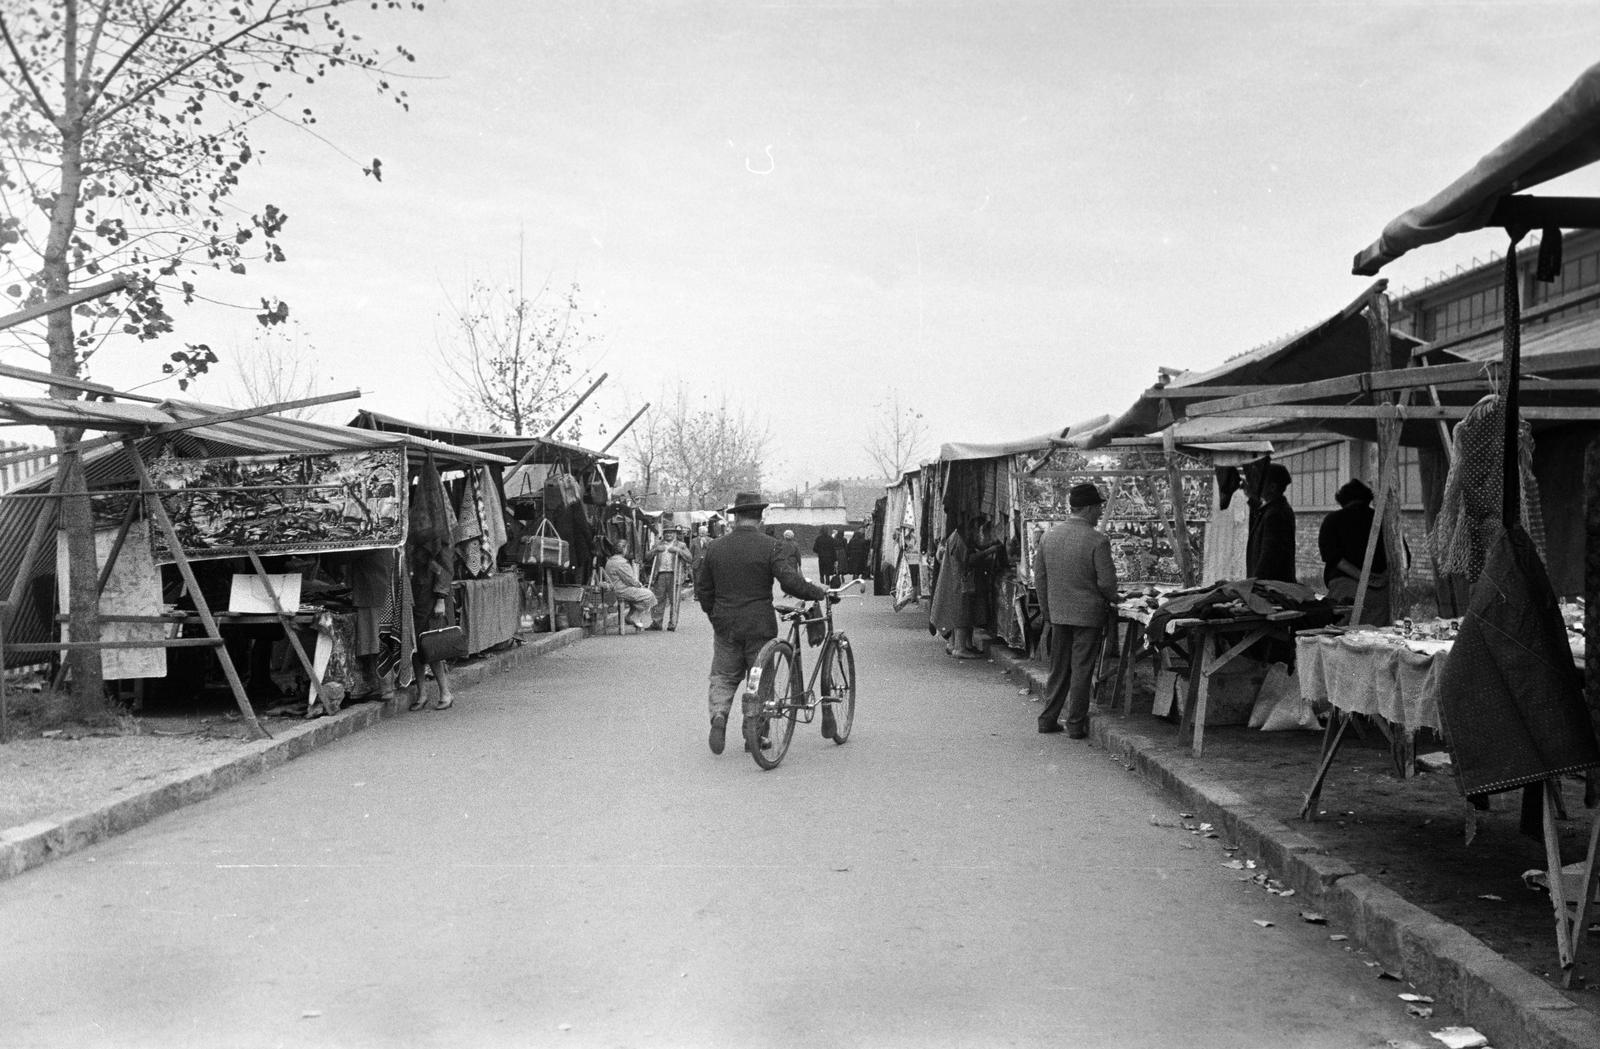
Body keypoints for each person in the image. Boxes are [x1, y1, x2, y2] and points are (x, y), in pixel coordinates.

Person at [694, 492, 830, 755]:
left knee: (723, 675)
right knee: (761, 677)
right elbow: (789, 581)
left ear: (735, 517)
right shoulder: (771, 546)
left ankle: (719, 717)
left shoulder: (715, 547)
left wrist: (715, 615)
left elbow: (704, 589)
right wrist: (816, 592)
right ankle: (754, 730)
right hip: (759, 624)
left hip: (726, 625)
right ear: (760, 516)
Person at [1033, 483, 1118, 738]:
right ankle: (1075, 724)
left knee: (1059, 668)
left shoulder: (1049, 537)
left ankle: (1048, 718)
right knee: (1082, 669)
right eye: (1098, 508)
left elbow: (1040, 578)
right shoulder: (1097, 540)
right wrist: (1115, 598)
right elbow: (1106, 583)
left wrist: (1048, 611)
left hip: (1059, 614)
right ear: (1089, 508)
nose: (1099, 514)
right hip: (1088, 615)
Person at [1318, 478, 1391, 625]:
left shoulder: (1334, 519)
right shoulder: (1382, 520)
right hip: (1380, 591)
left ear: (1342, 499)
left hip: (1346, 588)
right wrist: (1379, 578)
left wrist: (1364, 578)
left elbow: (1332, 557)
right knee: (1376, 636)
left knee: (1343, 637)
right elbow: (1402, 556)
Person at [928, 517, 983, 658]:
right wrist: (988, 552)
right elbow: (967, 560)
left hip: (952, 578)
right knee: (961, 612)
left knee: (954, 610)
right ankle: (960, 648)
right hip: (960, 580)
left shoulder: (953, 536)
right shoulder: (960, 539)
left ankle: (952, 644)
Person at [1246, 462, 1297, 583]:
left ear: (1272, 487)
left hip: (1272, 587)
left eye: (1259, 482)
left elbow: (1269, 557)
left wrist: (1255, 584)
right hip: (1270, 584)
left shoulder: (1276, 514)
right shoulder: (1274, 509)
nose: (1256, 486)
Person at [602, 538, 658, 631]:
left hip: (614, 588)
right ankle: (633, 616)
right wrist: (638, 584)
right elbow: (630, 580)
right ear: (624, 549)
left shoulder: (610, 560)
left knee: (641, 594)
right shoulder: (622, 563)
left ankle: (632, 615)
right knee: (649, 595)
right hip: (622, 590)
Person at [645, 527, 692, 631]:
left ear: (675, 534)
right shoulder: (658, 544)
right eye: (666, 532)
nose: (668, 534)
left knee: (674, 599)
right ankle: (656, 623)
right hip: (660, 575)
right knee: (658, 600)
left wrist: (678, 551)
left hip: (674, 575)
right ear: (663, 533)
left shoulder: (681, 545)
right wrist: (655, 550)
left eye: (671, 532)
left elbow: (689, 558)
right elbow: (647, 557)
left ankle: (672, 623)